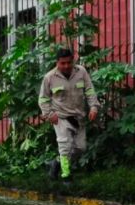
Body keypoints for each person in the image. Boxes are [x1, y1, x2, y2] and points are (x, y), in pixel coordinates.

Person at [38, 47, 100, 182]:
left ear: (73, 61)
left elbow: (89, 90)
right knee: (65, 146)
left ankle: (55, 163)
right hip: (61, 117)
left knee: (80, 148)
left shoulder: (81, 72)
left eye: (69, 62)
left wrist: (94, 107)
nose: (66, 66)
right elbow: (43, 98)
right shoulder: (49, 77)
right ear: (57, 63)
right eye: (62, 63)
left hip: (79, 116)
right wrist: (49, 114)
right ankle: (66, 177)